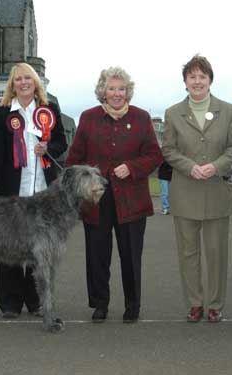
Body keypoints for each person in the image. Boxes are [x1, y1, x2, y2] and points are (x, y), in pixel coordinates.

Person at [65, 66, 162, 324]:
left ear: (127, 91)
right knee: (97, 256)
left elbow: (154, 155)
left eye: (121, 88)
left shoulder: (141, 118)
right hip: (96, 200)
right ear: (103, 91)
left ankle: (133, 305)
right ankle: (99, 304)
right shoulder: (88, 118)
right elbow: (74, 159)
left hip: (132, 199)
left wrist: (131, 167)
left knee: (131, 256)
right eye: (111, 88)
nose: (117, 93)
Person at [0, 63, 67, 318]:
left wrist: (49, 147)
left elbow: (61, 141)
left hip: (44, 192)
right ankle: (9, 302)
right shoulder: (2, 113)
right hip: (11, 192)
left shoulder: (50, 109)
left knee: (40, 249)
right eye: (18, 79)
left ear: (35, 82)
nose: (23, 82)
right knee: (8, 247)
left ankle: (36, 301)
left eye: (28, 78)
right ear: (12, 84)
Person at [162, 55, 232, 323]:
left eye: (202, 76)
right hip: (185, 192)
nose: (197, 81)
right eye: (192, 76)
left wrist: (216, 166)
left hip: (217, 191)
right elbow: (169, 150)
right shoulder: (172, 113)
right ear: (185, 82)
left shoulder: (228, 110)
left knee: (216, 253)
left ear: (210, 80)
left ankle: (216, 304)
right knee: (188, 253)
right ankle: (195, 303)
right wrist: (189, 166)